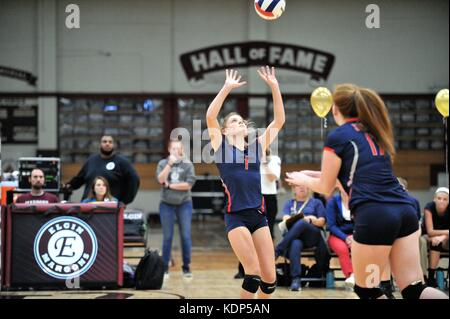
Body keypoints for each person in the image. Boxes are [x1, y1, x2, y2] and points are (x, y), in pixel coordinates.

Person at [285, 83, 447, 299]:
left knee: (368, 290)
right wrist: (314, 174)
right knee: (413, 289)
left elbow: (326, 186)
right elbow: (347, 177)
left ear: (335, 109)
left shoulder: (338, 136)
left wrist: (302, 178)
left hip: (376, 216)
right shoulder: (374, 132)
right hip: (405, 212)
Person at [206, 67, 285, 299]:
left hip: (258, 215)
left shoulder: (256, 147)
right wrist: (226, 88)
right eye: (234, 121)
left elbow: (279, 120)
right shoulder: (221, 147)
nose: (240, 123)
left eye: (241, 121)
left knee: (270, 280)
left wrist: (275, 87)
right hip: (236, 216)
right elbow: (211, 116)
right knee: (253, 275)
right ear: (225, 129)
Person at [234, 147, 281, 279]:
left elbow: (272, 178)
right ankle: (243, 269)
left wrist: (264, 163)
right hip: (252, 197)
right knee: (246, 233)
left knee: (268, 232)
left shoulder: (274, 160)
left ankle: (269, 268)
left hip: (269, 198)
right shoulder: (249, 159)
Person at [275, 185, 328, 291]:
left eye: (304, 186)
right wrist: (292, 219)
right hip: (296, 237)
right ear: (294, 189)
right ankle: (296, 280)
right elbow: (285, 219)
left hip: (313, 236)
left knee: (302, 223)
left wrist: (312, 220)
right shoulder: (289, 203)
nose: (302, 188)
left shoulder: (316, 202)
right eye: (298, 186)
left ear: (309, 188)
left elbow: (322, 221)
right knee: (295, 243)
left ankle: (278, 250)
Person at [156, 139, 196, 279]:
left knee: (185, 236)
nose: (175, 151)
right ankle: (165, 267)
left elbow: (188, 185)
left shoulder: (187, 164)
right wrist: (169, 164)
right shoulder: (162, 163)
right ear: (169, 149)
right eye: (173, 148)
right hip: (166, 204)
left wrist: (170, 186)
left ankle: (186, 267)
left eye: (178, 148)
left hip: (184, 204)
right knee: (167, 237)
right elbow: (161, 180)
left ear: (181, 150)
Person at [64, 135, 140, 204]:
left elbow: (134, 180)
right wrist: (68, 185)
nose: (107, 144)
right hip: (88, 205)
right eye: (104, 141)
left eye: (110, 142)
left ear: (113, 145)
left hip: (111, 207)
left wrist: (125, 201)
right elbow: (79, 179)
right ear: (100, 144)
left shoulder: (122, 162)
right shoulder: (91, 161)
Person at [326, 187, 355, 287]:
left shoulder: (357, 201)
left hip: (355, 234)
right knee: (342, 249)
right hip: (337, 235)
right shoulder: (333, 202)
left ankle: (360, 276)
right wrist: (345, 237)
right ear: (339, 188)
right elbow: (331, 225)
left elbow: (362, 222)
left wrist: (354, 236)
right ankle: (351, 275)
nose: (346, 190)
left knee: (358, 246)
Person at [424, 187, 449, 287]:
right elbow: (430, 231)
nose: (441, 201)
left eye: (445, 199)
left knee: (438, 240)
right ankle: (430, 278)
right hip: (429, 237)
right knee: (435, 242)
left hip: (446, 239)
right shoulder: (429, 207)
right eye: (439, 198)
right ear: (434, 199)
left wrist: (443, 237)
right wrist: (447, 232)